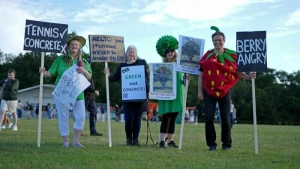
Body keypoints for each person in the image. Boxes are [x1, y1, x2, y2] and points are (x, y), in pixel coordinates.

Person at [197, 26, 256, 151]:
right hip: (209, 91)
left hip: (225, 91)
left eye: (220, 40)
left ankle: (226, 144)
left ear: (224, 41)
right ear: (212, 41)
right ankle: (211, 144)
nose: (217, 42)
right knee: (208, 118)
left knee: (225, 119)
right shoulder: (207, 57)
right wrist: (199, 91)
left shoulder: (232, 56)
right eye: (215, 40)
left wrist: (249, 77)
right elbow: (201, 75)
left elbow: (238, 73)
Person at [39, 35, 92, 148]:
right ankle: (66, 142)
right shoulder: (60, 59)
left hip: (78, 93)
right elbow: (50, 73)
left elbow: (89, 76)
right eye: (72, 44)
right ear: (68, 47)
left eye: (76, 45)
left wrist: (84, 70)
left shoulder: (84, 62)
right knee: (63, 117)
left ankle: (76, 142)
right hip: (62, 92)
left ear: (79, 48)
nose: (74, 46)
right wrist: (43, 72)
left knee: (81, 117)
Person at [105, 45, 149, 146]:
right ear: (126, 54)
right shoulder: (123, 66)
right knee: (129, 119)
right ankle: (129, 139)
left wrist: (148, 90)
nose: (131, 53)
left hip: (140, 96)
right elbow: (114, 78)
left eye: (133, 52)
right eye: (129, 51)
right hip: (128, 97)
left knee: (138, 119)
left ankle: (136, 139)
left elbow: (145, 80)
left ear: (136, 54)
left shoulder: (141, 64)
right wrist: (108, 75)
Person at [154, 35, 188, 148]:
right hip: (166, 94)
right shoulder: (161, 66)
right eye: (167, 51)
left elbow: (185, 80)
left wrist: (187, 78)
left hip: (178, 94)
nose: (170, 53)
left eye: (172, 51)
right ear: (164, 53)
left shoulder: (181, 65)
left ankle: (170, 141)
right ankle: (161, 141)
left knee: (173, 118)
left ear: (175, 52)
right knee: (166, 117)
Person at [84, 60, 103, 136]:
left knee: (94, 112)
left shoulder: (89, 73)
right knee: (81, 115)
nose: (88, 65)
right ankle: (79, 130)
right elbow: (85, 86)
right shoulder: (83, 74)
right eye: (87, 63)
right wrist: (94, 90)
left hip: (91, 98)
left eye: (89, 64)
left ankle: (93, 131)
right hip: (84, 97)